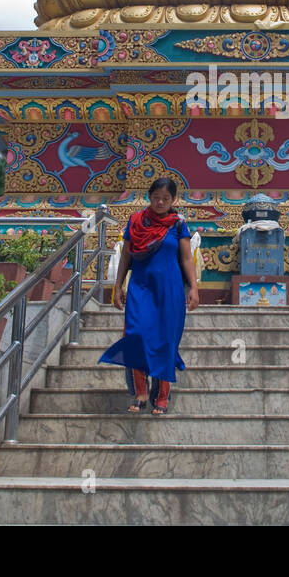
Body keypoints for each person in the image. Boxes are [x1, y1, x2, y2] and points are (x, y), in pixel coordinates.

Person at [100, 177, 200, 414]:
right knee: (136, 336)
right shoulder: (136, 221)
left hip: (170, 289)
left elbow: (186, 258)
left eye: (166, 198)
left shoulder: (178, 224)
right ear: (149, 197)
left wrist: (194, 288)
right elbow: (125, 256)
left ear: (173, 200)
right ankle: (141, 391)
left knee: (166, 340)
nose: (161, 202)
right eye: (156, 198)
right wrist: (117, 286)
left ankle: (163, 395)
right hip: (140, 288)